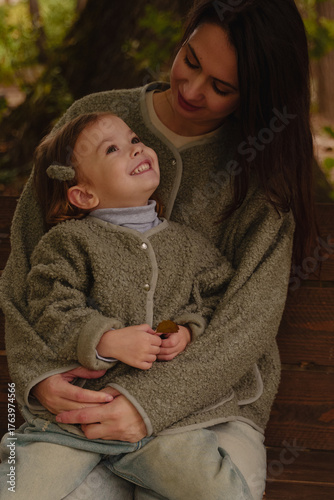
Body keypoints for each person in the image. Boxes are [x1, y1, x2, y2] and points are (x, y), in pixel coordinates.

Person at [0, 1, 317, 499]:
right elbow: (25, 268)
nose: (191, 90)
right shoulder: (92, 121)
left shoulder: (262, 172)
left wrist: (146, 403)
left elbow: (246, 322)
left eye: (222, 87)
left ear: (257, 93)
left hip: (208, 411)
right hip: (79, 405)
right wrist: (36, 376)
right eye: (190, 61)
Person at [0, 110, 235, 499]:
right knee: (20, 490)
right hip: (73, 424)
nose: (135, 149)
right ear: (84, 194)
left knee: (219, 491)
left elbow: (216, 295)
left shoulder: (187, 244)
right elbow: (49, 306)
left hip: (160, 422)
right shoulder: (69, 242)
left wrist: (188, 329)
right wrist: (104, 340)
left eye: (135, 139)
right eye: (113, 149)